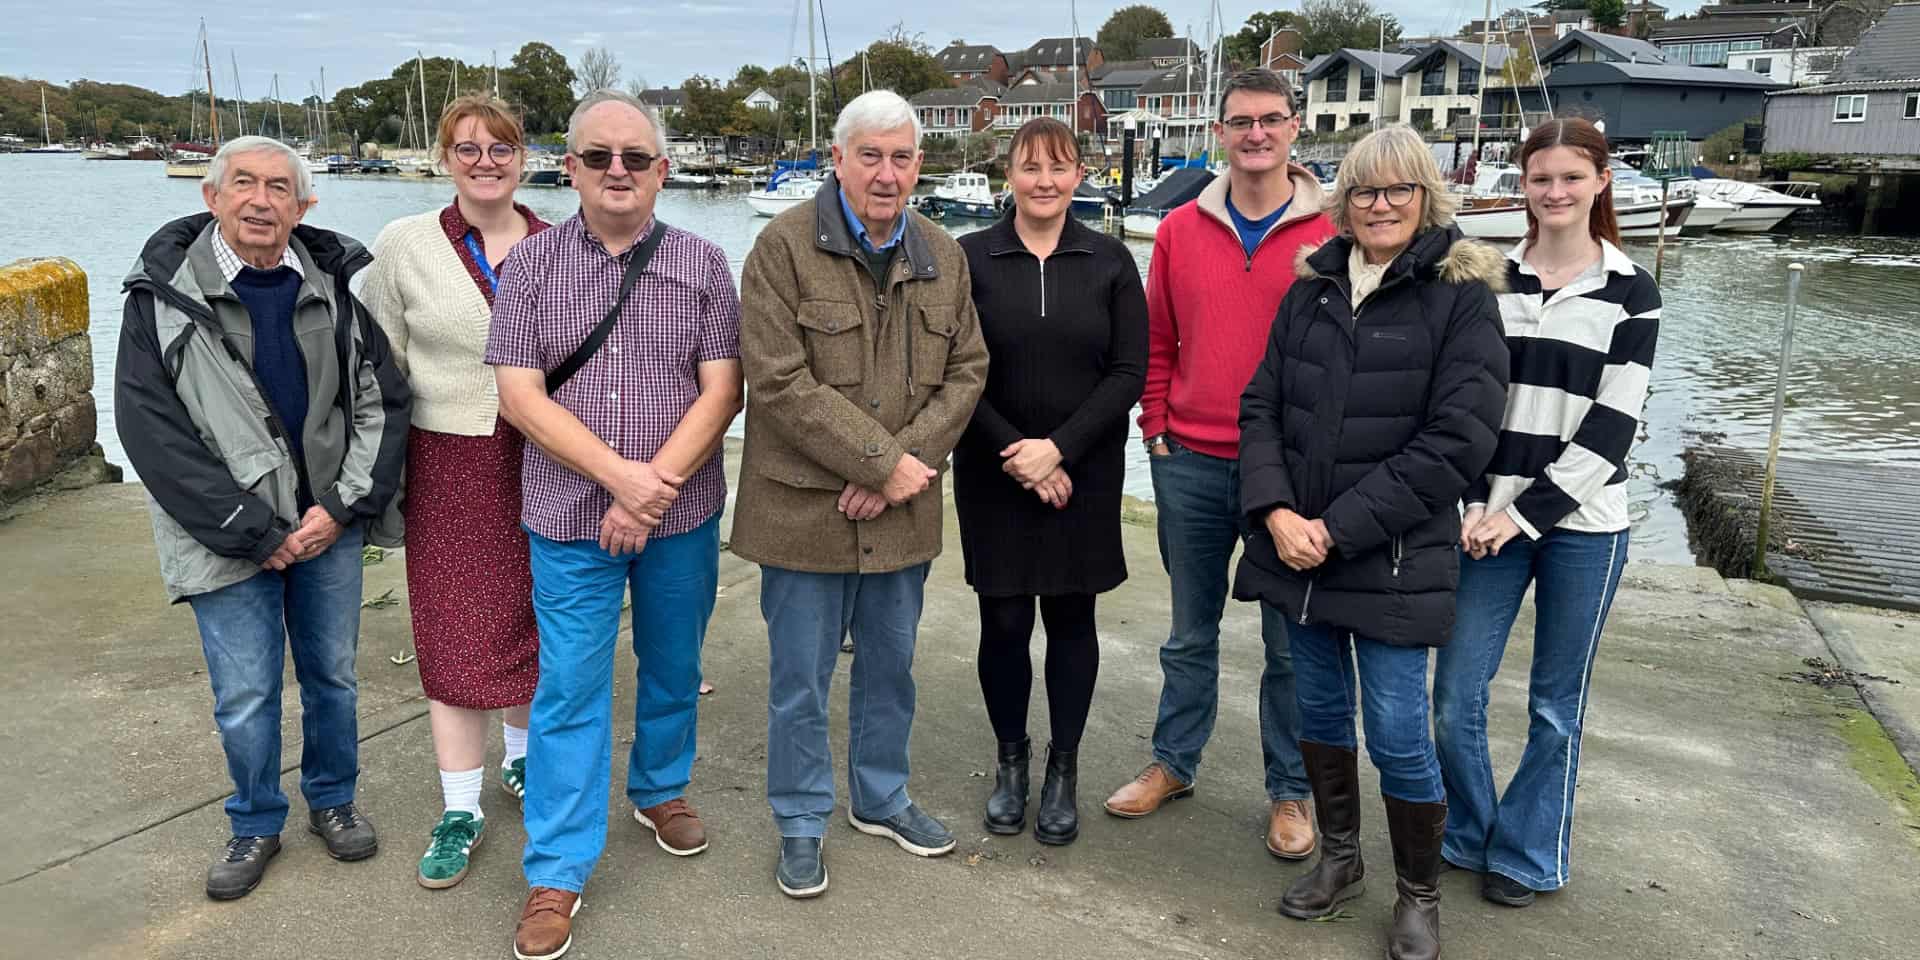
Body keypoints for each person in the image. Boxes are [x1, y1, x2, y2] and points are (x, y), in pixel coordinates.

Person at [1234, 124, 1510, 960]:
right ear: (1342, 204)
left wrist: (1335, 528)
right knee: (1319, 714)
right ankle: (1342, 860)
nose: (1379, 204)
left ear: (1427, 196)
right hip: (1298, 559)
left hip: (1390, 562)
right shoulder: (1311, 290)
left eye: (1397, 189)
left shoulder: (1461, 298)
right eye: (1362, 190)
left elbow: (1459, 439)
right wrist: (1277, 512)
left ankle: (1419, 894)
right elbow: (1262, 410)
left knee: (1396, 733)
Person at [114, 135, 410, 900]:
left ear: (304, 206)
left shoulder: (338, 288)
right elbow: (150, 430)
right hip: (225, 538)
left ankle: (334, 802)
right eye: (242, 183)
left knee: (334, 679)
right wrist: (257, 530)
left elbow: (382, 400)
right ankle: (254, 821)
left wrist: (339, 507)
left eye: (281, 187)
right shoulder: (161, 298)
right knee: (245, 694)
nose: (261, 200)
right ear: (211, 197)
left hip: (326, 530)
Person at [486, 90, 742, 960]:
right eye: (599, 157)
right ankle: (556, 868)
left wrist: (654, 490)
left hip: (681, 517)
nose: (618, 172)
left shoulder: (705, 264)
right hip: (567, 518)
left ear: (663, 170)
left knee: (675, 664)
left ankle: (660, 786)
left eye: (636, 157)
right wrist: (620, 484)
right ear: (573, 168)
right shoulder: (530, 266)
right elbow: (518, 396)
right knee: (570, 690)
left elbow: (723, 389)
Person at [733, 89, 989, 899]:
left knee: (893, 666)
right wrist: (883, 464)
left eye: (902, 157)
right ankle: (802, 820)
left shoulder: (945, 254)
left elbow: (967, 371)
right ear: (837, 158)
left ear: (921, 164)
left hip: (903, 508)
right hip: (801, 509)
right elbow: (776, 383)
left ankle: (881, 798)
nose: (886, 173)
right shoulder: (780, 249)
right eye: (870, 155)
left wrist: (898, 468)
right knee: (799, 680)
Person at [1105, 69, 1335, 865]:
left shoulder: (1331, 232)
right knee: (1188, 632)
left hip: (1293, 475)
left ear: (1294, 127)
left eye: (1271, 120)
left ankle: (1290, 789)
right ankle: (1175, 762)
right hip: (1192, 459)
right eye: (1241, 121)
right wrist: (1157, 425)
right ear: (1220, 132)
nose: (1256, 135)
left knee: (1288, 643)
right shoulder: (1176, 230)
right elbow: (1157, 338)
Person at [1433, 117, 1660, 909]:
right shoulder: (1486, 277)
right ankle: (1469, 830)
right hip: (1481, 518)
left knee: (1554, 705)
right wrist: (1469, 499)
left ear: (1601, 180)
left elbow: (1612, 427)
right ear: (1522, 185)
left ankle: (1527, 855)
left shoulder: (1631, 291)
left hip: (1583, 528)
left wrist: (1523, 515)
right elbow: (1463, 402)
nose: (1555, 192)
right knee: (1454, 694)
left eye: (1571, 177)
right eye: (1540, 178)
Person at [361, 94, 549, 890]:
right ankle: (459, 806)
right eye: (468, 148)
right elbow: (378, 366)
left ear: (523, 158)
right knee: (453, 627)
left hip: (547, 457)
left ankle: (524, 763)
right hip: (447, 460)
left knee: (538, 616)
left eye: (500, 148)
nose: (485, 162)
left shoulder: (561, 244)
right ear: (446, 157)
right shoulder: (403, 245)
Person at [955, 117, 1146, 846]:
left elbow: (1129, 369)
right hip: (992, 468)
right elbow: (955, 371)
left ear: (1079, 175)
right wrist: (1019, 453)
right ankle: (1012, 762)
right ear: (1008, 174)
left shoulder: (1109, 261)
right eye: (1031, 167)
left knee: (1071, 618)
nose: (1045, 181)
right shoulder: (970, 257)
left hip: (1085, 470)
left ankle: (1064, 768)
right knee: (1003, 619)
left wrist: (1059, 450)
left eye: (1060, 167)